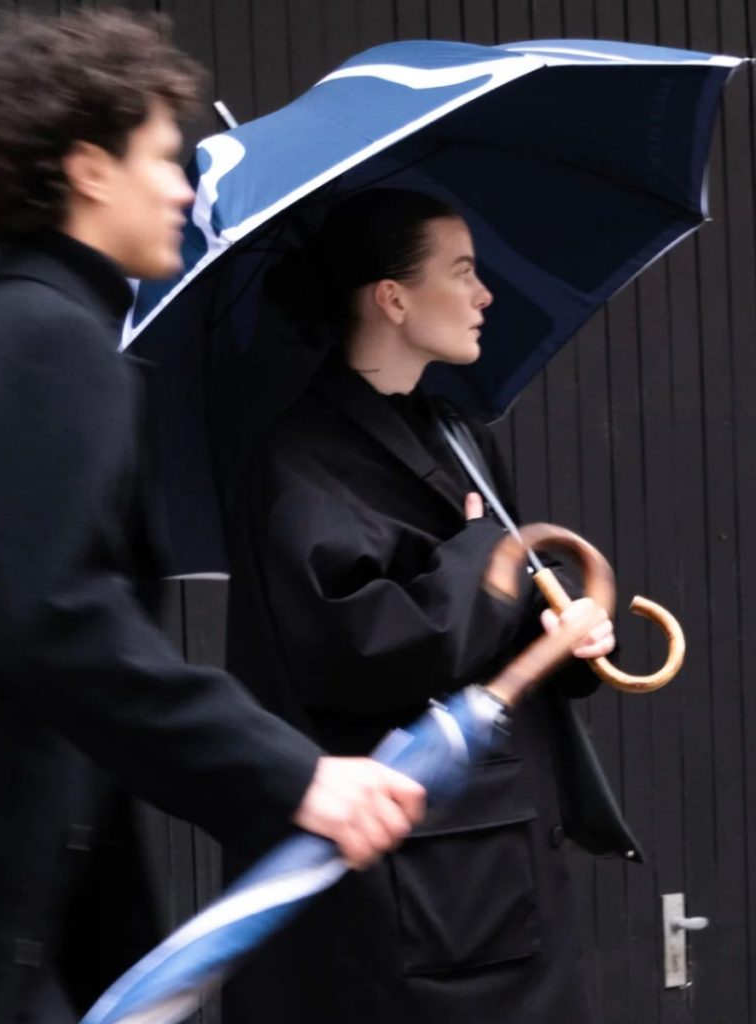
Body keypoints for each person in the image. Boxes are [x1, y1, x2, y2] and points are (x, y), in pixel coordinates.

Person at [0, 17, 426, 1024]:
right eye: (161, 157)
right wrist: (299, 776)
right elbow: (61, 623)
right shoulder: (49, 352)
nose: (185, 187)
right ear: (89, 169)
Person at [220, 189, 642, 1024]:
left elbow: (502, 611)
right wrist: (484, 557)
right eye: (463, 273)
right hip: (418, 894)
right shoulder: (302, 458)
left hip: (502, 864)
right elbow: (360, 649)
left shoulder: (453, 431)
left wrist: (561, 631)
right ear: (392, 298)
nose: (486, 295)